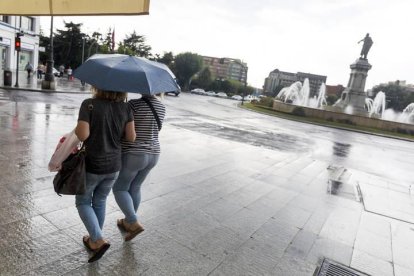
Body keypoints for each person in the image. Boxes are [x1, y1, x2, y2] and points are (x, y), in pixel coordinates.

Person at [74, 87, 136, 262]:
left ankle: (98, 239)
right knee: (100, 200)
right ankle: (95, 240)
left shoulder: (89, 105)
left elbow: (82, 134)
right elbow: (131, 137)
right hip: (114, 166)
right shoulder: (126, 108)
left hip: (93, 165)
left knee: (83, 201)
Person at [112, 93, 165, 241]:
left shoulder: (133, 105)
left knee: (120, 188)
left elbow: (125, 129)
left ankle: (133, 221)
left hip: (134, 153)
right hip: (154, 153)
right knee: (135, 187)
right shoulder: (162, 106)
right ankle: (129, 222)